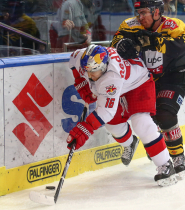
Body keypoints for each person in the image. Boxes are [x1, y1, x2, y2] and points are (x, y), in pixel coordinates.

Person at [67, 44, 177, 186]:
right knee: (113, 125)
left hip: (139, 83)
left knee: (141, 123)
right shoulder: (83, 57)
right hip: (120, 87)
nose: (89, 75)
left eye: (94, 71)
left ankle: (166, 165)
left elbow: (106, 111)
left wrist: (85, 128)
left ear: (105, 66)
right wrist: (80, 81)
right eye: (87, 71)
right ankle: (130, 144)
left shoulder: (112, 75)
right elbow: (72, 60)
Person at [110, 0, 185, 179]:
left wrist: (151, 39)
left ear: (156, 12)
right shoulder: (130, 25)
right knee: (149, 118)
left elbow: (178, 47)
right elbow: (114, 43)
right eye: (138, 12)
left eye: (144, 12)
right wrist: (124, 45)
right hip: (148, 79)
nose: (140, 17)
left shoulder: (175, 25)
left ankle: (178, 156)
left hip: (175, 75)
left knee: (165, 113)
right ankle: (160, 149)